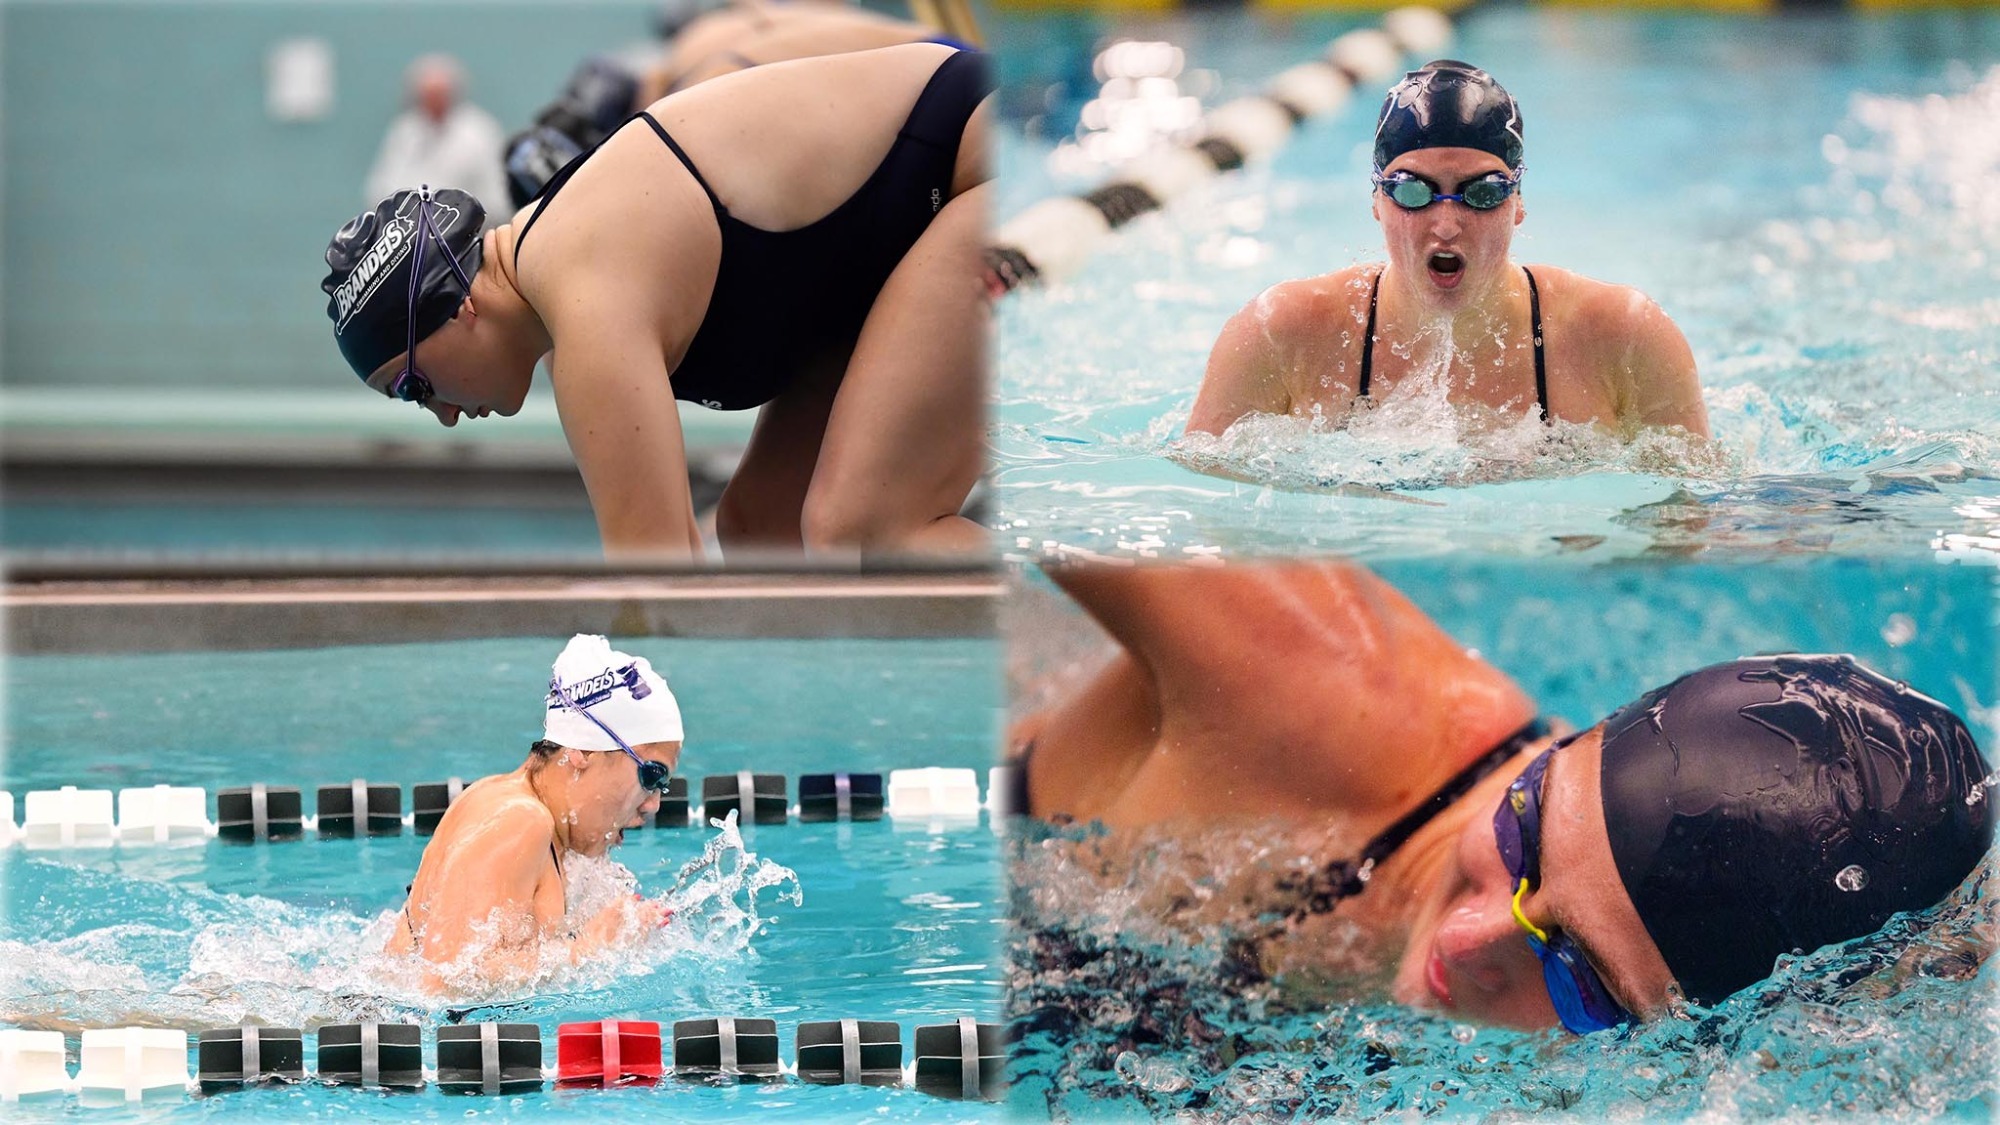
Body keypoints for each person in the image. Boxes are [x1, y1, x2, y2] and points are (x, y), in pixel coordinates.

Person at [1010, 561, 1993, 1032]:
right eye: (1520, 839)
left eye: (1579, 980)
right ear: (1564, 753)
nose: (1466, 940)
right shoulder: (1302, 669)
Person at [323, 43, 992, 560]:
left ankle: (1081, 654)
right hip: (893, 243)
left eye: (412, 385)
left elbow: (661, 583)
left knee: (869, 530)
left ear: (456, 305)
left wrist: (583, 733)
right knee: (764, 529)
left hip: (987, 171)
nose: (439, 415)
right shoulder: (561, 304)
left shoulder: (583, 295)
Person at [1189, 61, 1710, 444]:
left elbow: (1690, 529)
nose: (1445, 224)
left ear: (1519, 203)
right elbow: (1203, 525)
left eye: (1482, 192)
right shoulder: (1279, 334)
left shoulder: (1624, 337)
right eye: (1413, 190)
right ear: (1376, 200)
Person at [386, 635, 681, 988]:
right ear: (583, 751)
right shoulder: (520, 819)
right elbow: (440, 981)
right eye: (651, 775)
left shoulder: (522, 810)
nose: (653, 805)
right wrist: (591, 947)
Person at [364, 54, 509, 218]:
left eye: (439, 95)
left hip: (465, 231)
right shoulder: (405, 131)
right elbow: (382, 185)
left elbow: (495, 193)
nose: (433, 102)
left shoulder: (480, 132)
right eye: (427, 96)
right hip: (410, 230)